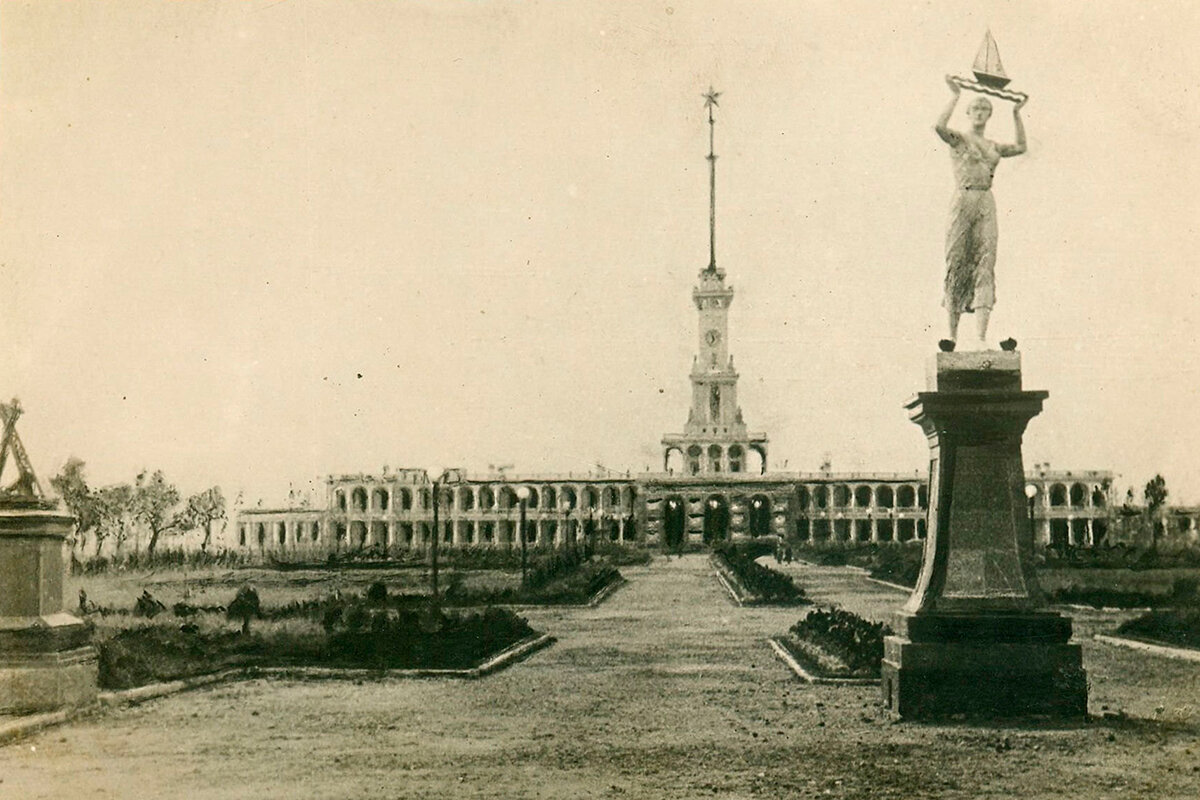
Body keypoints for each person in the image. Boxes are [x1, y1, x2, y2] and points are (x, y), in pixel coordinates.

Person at [935, 76, 1027, 350]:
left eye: (985, 110)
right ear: (968, 112)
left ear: (989, 115)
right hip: (962, 197)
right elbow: (939, 126)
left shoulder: (994, 146)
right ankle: (951, 335)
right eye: (975, 109)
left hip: (985, 199)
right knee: (957, 260)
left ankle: (980, 337)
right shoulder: (960, 139)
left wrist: (1016, 113)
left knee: (985, 262)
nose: (980, 114)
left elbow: (1021, 147)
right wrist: (954, 96)